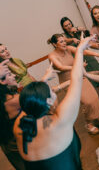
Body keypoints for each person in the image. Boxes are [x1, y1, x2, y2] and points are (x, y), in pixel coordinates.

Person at [13, 36, 94, 170]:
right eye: (52, 92)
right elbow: (77, 78)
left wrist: (44, 79)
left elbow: (29, 101)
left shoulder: (19, 125)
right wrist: (80, 49)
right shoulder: (60, 121)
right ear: (49, 101)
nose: (54, 92)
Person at [48, 33, 99, 134]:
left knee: (94, 98)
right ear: (54, 44)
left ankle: (96, 118)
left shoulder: (69, 48)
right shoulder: (52, 56)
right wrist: (78, 65)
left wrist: (97, 54)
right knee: (87, 102)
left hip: (80, 76)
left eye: (65, 41)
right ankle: (89, 123)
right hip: (68, 82)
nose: (64, 43)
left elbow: (83, 51)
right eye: (61, 42)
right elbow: (60, 67)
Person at [60, 16, 99, 107]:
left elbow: (88, 35)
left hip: (89, 56)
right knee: (90, 79)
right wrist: (72, 39)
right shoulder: (64, 36)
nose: (68, 26)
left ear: (71, 23)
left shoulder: (78, 31)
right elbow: (65, 40)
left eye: (69, 24)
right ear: (63, 28)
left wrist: (79, 29)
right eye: (66, 26)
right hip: (79, 60)